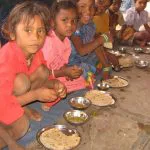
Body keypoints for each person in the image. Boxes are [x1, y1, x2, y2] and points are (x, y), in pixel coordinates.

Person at [0, 1, 66, 149]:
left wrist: (56, 85)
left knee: (43, 71)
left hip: (12, 96)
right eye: (28, 30)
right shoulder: (5, 58)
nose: (36, 37)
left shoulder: (36, 52)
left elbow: (45, 79)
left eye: (40, 31)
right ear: (12, 33)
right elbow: (2, 102)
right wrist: (12, 144)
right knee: (22, 126)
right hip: (2, 100)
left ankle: (22, 106)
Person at [41, 0, 86, 111]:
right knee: (58, 89)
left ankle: (58, 92)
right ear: (52, 22)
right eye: (64, 20)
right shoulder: (48, 41)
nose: (70, 25)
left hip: (56, 76)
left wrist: (70, 72)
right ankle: (48, 100)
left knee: (81, 79)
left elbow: (62, 64)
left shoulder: (67, 42)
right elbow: (42, 73)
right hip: (41, 79)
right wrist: (63, 72)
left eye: (74, 21)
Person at [69, 0, 120, 86]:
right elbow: (81, 51)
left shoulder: (90, 24)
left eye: (91, 7)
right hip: (73, 63)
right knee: (81, 72)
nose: (88, 11)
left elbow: (96, 47)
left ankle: (96, 71)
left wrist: (106, 66)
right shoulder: (72, 26)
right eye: (82, 6)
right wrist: (101, 39)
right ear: (74, 7)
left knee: (106, 65)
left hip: (86, 59)